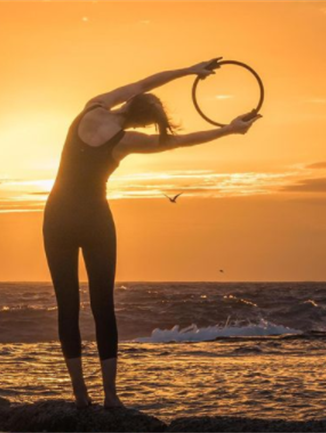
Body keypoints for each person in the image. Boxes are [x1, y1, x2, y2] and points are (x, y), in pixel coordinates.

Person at [42, 57, 262, 409]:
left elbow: (146, 81)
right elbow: (183, 141)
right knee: (103, 307)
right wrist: (229, 129)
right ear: (143, 119)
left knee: (66, 307)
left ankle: (80, 395)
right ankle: (110, 396)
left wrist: (191, 70)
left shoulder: (93, 106)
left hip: (56, 218)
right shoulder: (128, 141)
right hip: (96, 220)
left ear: (129, 102)